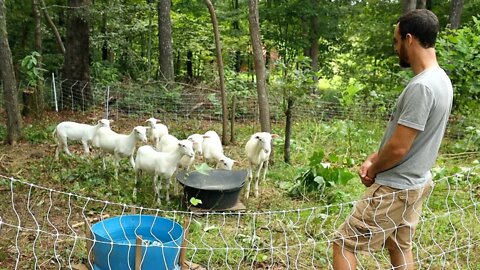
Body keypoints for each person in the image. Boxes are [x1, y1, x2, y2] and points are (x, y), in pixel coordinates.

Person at [332, 9, 453, 270]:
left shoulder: (422, 87)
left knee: (344, 243)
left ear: (410, 39)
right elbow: (409, 138)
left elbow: (399, 148)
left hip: (394, 188)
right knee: (399, 244)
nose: (396, 47)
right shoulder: (441, 80)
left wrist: (374, 169)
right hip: (417, 183)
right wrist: (373, 158)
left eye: (397, 41)